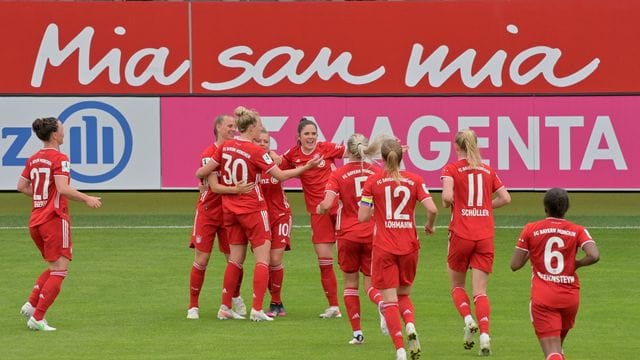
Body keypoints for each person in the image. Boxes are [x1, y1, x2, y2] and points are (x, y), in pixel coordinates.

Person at [196, 106, 321, 322]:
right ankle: (256, 309)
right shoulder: (256, 152)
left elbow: (202, 172)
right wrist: (306, 167)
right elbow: (280, 175)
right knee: (262, 259)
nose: (261, 131)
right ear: (252, 127)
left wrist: (204, 181)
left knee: (235, 259)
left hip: (229, 210)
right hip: (252, 208)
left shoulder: (225, 147)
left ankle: (225, 307)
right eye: (259, 127)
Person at [17, 117, 102, 331]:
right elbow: (63, 189)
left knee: (54, 266)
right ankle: (38, 317)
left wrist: (41, 197)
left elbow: (21, 186)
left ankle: (32, 303)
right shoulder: (60, 158)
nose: (64, 133)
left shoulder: (34, 158)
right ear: (55, 134)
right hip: (54, 219)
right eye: (62, 130)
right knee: (60, 270)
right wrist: (87, 199)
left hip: (35, 221)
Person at [358, 138, 438, 360]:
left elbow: (362, 216)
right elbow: (432, 208)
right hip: (410, 246)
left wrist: (376, 210)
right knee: (404, 295)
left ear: (382, 158)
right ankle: (410, 325)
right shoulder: (415, 180)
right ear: (402, 158)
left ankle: (400, 350)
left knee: (390, 301)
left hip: (384, 246)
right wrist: (429, 226)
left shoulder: (373, 181)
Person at [440, 129, 511, 356]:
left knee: (457, 286)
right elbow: (506, 198)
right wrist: (484, 206)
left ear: (456, 146)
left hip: (461, 233)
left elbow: (447, 197)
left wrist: (451, 204)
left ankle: (468, 319)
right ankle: (485, 335)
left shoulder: (451, 169)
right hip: (484, 235)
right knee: (480, 292)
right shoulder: (487, 170)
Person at [510, 188, 600, 360]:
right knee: (558, 348)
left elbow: (515, 265)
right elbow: (594, 255)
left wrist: (535, 249)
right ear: (567, 208)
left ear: (545, 208)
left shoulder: (531, 229)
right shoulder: (577, 230)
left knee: (552, 352)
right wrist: (577, 264)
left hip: (544, 298)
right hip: (570, 297)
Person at [317, 133, 385, 345]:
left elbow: (327, 204)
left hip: (347, 234)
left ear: (347, 150)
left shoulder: (339, 175)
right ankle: (381, 303)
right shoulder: (376, 172)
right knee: (371, 284)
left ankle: (357, 333)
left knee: (349, 284)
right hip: (372, 234)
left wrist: (319, 208)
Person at [187, 115, 251, 320]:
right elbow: (213, 186)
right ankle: (193, 306)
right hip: (207, 212)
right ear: (218, 127)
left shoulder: (235, 151)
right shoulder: (209, 153)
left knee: (234, 259)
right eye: (230, 126)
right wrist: (236, 189)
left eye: (235, 126)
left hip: (229, 213)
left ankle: (235, 297)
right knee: (202, 258)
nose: (234, 129)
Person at [282, 117, 347, 318]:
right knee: (324, 259)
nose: (310, 137)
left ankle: (381, 297)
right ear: (299, 137)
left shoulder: (326, 148)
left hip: (339, 208)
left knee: (352, 258)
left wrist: (387, 150)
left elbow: (354, 150)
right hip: (317, 213)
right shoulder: (292, 154)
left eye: (313, 133)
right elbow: (277, 168)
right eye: (306, 134)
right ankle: (334, 307)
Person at [254, 128, 292, 317]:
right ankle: (271, 303)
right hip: (259, 216)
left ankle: (276, 301)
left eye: (266, 141)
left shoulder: (278, 161)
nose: (262, 144)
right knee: (265, 261)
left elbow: (294, 158)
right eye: (259, 141)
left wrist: (274, 154)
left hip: (280, 214)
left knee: (275, 259)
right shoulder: (251, 163)